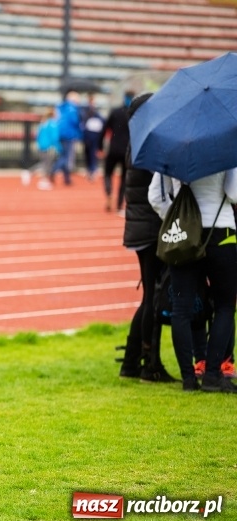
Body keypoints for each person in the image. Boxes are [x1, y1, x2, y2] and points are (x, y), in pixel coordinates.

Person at [148, 168, 237, 393]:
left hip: (184, 235)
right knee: (225, 306)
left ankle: (188, 379)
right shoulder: (226, 144)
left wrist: (178, 218)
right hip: (222, 231)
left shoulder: (171, 147)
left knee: (182, 308)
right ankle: (212, 375)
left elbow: (155, 196)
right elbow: (233, 193)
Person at [117, 93, 175, 382]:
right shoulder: (147, 144)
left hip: (141, 228)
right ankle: (147, 364)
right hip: (150, 228)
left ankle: (133, 362)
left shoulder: (136, 141)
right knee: (153, 296)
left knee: (150, 296)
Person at [99, 91, 134, 213]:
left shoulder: (115, 112)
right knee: (124, 178)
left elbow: (104, 129)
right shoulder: (134, 114)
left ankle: (109, 192)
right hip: (127, 151)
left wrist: (99, 147)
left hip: (113, 149)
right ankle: (119, 205)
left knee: (107, 173)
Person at [24, 107, 61, 191]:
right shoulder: (52, 123)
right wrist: (58, 148)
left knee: (44, 163)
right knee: (47, 165)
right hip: (48, 147)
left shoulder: (44, 122)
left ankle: (31, 173)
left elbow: (38, 135)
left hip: (41, 146)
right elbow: (54, 138)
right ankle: (42, 180)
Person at [53, 91, 82, 187]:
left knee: (64, 155)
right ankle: (53, 171)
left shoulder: (62, 107)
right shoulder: (72, 108)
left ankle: (67, 178)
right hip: (69, 135)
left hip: (61, 134)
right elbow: (75, 121)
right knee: (66, 157)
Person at [80, 93, 104, 182]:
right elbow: (83, 120)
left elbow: (102, 120)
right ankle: (89, 170)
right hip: (87, 135)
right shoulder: (85, 110)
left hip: (95, 136)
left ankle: (93, 170)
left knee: (93, 153)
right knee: (87, 153)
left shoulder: (96, 111)